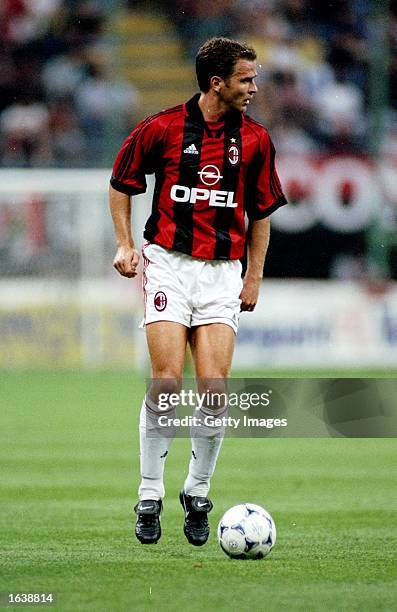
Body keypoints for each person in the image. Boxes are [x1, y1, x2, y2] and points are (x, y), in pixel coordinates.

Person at [109, 37, 287, 546]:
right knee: (166, 382)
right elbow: (121, 183)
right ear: (217, 83)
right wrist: (125, 245)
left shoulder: (254, 140)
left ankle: (197, 489)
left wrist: (253, 276)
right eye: (246, 79)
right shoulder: (162, 128)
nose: (254, 87)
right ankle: (148, 493)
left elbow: (261, 214)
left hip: (222, 273)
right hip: (167, 264)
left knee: (214, 388)